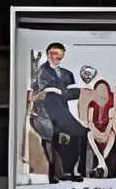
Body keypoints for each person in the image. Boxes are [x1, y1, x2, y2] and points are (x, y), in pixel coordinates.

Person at [27, 41, 86, 178]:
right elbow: (44, 89)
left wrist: (64, 93)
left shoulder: (68, 74)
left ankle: (70, 171)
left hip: (63, 112)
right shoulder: (42, 71)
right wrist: (60, 93)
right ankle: (54, 173)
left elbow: (74, 93)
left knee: (76, 134)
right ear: (48, 54)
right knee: (53, 138)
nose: (56, 57)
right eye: (53, 54)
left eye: (59, 55)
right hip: (47, 111)